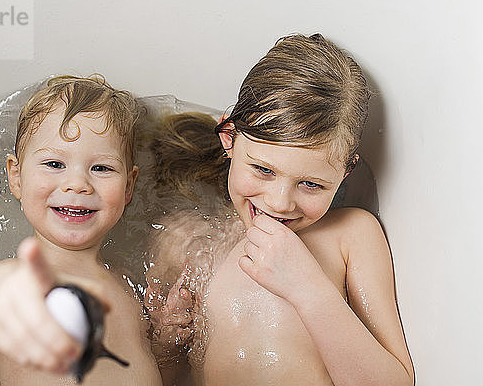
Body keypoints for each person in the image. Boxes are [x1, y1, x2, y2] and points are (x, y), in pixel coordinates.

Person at [147, 34, 415, 386]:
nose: (279, 203)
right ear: (228, 137)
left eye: (311, 184)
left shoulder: (350, 236)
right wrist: (167, 342)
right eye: (264, 170)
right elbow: (161, 376)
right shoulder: (185, 243)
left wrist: (308, 288)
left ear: (346, 172)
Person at [0, 75, 162, 385]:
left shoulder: (127, 287)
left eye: (102, 168)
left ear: (129, 186)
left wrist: (169, 336)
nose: (78, 184)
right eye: (54, 164)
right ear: (16, 176)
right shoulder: (23, 276)